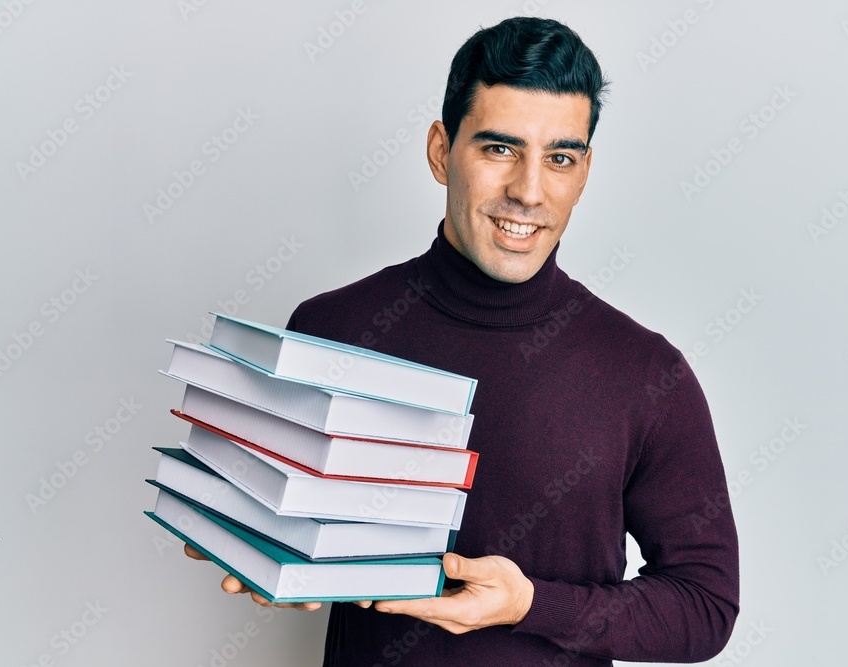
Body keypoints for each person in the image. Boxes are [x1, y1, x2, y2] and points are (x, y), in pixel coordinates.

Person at [186, 16, 739, 666]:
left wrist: (530, 603)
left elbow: (704, 606)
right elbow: (278, 527)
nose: (528, 191)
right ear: (441, 151)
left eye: (559, 158)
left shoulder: (647, 374)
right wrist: (271, 555)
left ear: (584, 173)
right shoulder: (330, 333)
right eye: (499, 149)